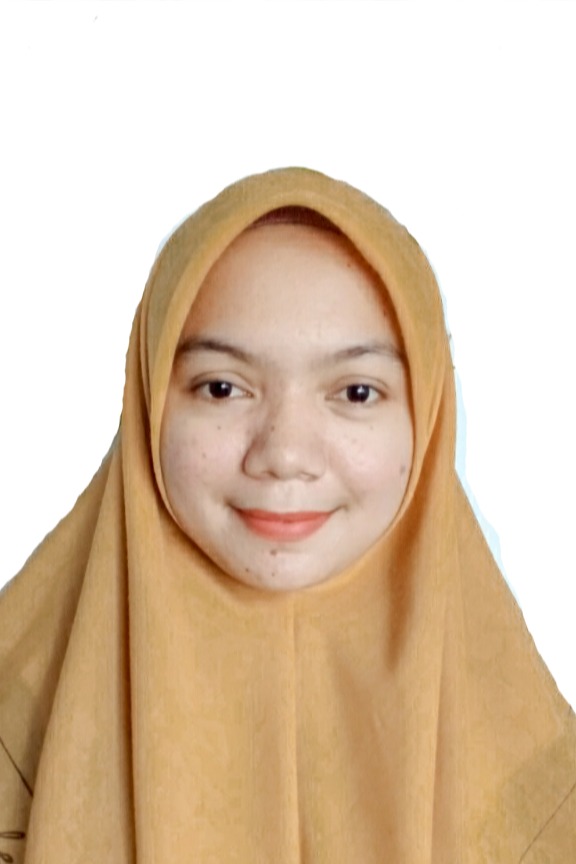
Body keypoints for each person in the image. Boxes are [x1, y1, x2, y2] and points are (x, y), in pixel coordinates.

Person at [0, 167, 574, 863]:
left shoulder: (537, 776)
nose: (284, 455)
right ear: (148, 399)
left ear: (427, 417)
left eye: (356, 392)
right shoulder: (15, 725)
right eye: (222, 387)